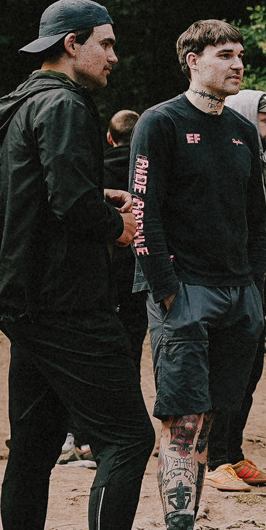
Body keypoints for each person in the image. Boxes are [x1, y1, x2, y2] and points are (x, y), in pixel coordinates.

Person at [0, 0, 178, 530]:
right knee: (127, 438)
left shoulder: (18, 104)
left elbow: (42, 194)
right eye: (106, 43)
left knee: (34, 448)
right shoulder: (66, 104)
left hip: (23, 300)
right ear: (72, 44)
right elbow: (68, 205)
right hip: (66, 301)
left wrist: (99, 198)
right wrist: (117, 225)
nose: (114, 56)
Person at [130, 19, 266, 530]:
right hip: (183, 294)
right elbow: (143, 210)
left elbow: (256, 217)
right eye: (223, 55)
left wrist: (257, 290)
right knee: (181, 423)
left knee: (209, 423)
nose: (237, 64)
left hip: (239, 294)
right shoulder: (159, 123)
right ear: (191, 60)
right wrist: (166, 293)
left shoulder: (241, 129)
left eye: (240, 55)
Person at [207, 87, 266, 493]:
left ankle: (234, 454)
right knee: (227, 370)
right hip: (230, 281)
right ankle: (213, 458)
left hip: (257, 277)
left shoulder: (263, 160)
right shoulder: (229, 159)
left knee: (251, 370)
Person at [105, 109, 147, 366]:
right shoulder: (150, 168)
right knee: (133, 339)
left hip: (105, 269)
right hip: (140, 268)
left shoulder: (93, 169)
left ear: (109, 138)